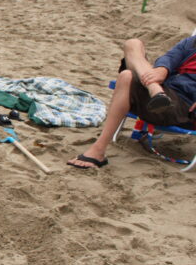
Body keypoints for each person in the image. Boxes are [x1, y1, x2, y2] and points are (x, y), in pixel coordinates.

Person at [68, 37, 196, 169]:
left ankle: (98, 150)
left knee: (127, 76)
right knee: (132, 46)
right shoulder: (192, 43)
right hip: (163, 91)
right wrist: (163, 69)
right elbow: (170, 57)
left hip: (184, 108)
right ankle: (155, 90)